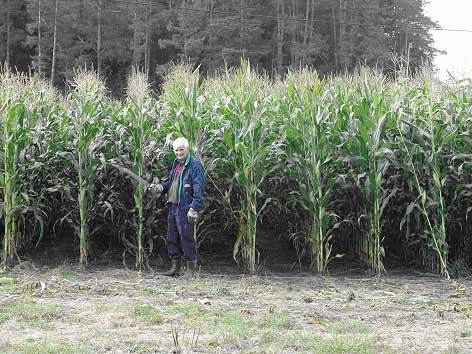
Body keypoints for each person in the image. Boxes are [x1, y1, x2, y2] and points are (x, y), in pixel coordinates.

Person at [150, 137, 205, 277]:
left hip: (185, 207)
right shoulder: (177, 163)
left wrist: (194, 209)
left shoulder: (195, 165)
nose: (179, 153)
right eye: (176, 150)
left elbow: (199, 189)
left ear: (187, 149)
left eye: (181, 150)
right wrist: (160, 187)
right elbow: (171, 182)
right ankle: (175, 268)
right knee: (172, 237)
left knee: (186, 238)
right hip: (173, 206)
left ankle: (191, 270)